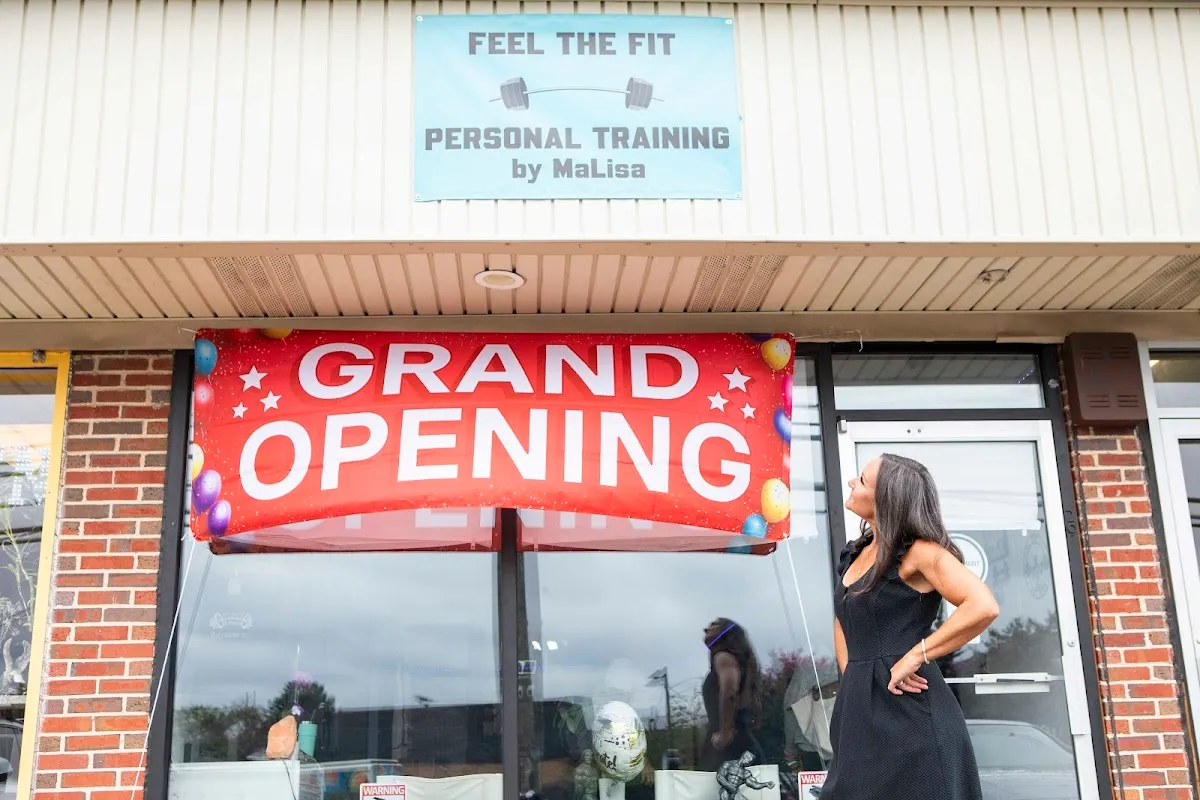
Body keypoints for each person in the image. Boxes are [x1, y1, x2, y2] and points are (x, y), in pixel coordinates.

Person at [821, 454, 1000, 800]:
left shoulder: (919, 553)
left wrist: (916, 655)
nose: (851, 483)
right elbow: (843, 622)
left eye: (862, 480)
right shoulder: (855, 554)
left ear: (886, 499)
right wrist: (855, 680)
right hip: (859, 713)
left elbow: (983, 605)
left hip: (913, 716)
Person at [700, 618, 764, 772]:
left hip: (731, 747)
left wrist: (725, 733)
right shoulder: (740, 664)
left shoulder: (724, 658)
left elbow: (729, 692)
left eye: (714, 624)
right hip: (738, 745)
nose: (705, 629)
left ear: (726, 631)